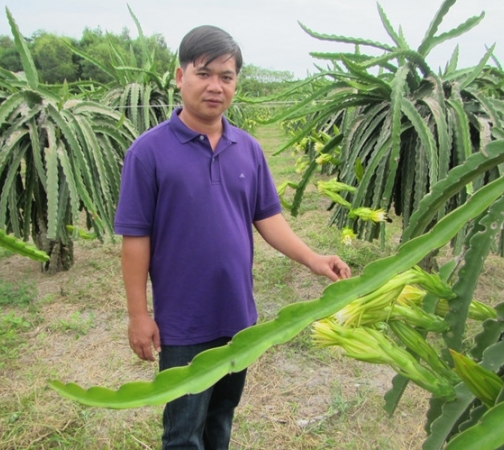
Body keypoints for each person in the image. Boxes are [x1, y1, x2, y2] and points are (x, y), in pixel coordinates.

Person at [114, 25, 351, 450]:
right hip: (183, 322)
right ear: (179, 75)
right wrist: (138, 314)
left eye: (227, 76)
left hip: (238, 317)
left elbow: (268, 218)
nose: (215, 86)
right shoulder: (147, 153)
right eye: (204, 73)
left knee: (221, 415)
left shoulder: (249, 148)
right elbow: (135, 239)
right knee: (183, 429)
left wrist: (313, 258)